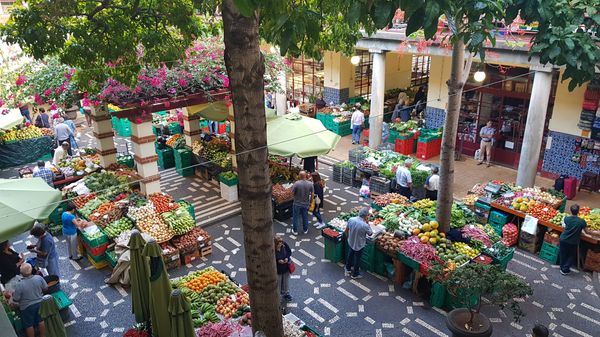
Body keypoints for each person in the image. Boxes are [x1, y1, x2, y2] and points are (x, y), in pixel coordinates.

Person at [11, 263, 48, 337]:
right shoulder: (38, 278)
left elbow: (16, 299)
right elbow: (46, 288)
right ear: (31, 270)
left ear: (21, 273)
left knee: (29, 325)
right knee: (41, 321)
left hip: (26, 307)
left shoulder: (19, 284)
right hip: (40, 303)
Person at [345, 208, 373, 279]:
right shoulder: (365, 225)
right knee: (357, 259)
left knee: (350, 255)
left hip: (351, 241)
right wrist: (367, 222)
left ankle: (347, 268)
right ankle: (355, 274)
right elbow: (370, 233)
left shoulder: (351, 219)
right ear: (366, 216)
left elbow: (346, 230)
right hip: (359, 245)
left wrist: (348, 238)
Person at [559, 204, 587, 275]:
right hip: (573, 242)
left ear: (570, 211)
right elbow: (586, 231)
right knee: (571, 255)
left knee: (563, 253)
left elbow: (564, 226)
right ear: (578, 211)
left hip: (563, 239)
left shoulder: (566, 218)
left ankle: (562, 267)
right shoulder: (582, 221)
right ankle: (565, 269)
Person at [291, 171, 314, 235]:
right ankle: (305, 229)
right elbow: (312, 194)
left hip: (297, 203)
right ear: (306, 176)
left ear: (299, 176)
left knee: (295, 217)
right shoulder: (310, 184)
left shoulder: (296, 183)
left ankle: (295, 231)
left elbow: (292, 193)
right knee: (305, 217)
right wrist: (310, 202)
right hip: (305, 204)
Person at [274, 236, 292, 302]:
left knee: (286, 282)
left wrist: (287, 257)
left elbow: (289, 252)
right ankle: (278, 296)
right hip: (278, 269)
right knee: (278, 282)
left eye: (281, 243)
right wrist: (278, 261)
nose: (280, 245)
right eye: (279, 244)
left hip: (286, 267)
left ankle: (286, 294)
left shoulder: (284, 245)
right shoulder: (272, 249)